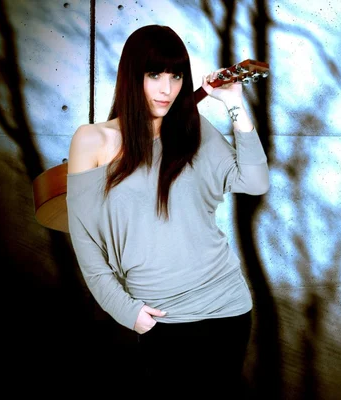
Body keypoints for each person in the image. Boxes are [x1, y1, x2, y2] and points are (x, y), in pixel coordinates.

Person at [66, 24, 269, 397]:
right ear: (131, 76)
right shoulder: (93, 140)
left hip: (227, 307)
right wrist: (126, 311)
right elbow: (85, 242)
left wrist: (235, 104)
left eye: (176, 76)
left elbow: (255, 183)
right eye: (154, 74)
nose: (167, 89)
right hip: (161, 318)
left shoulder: (195, 131)